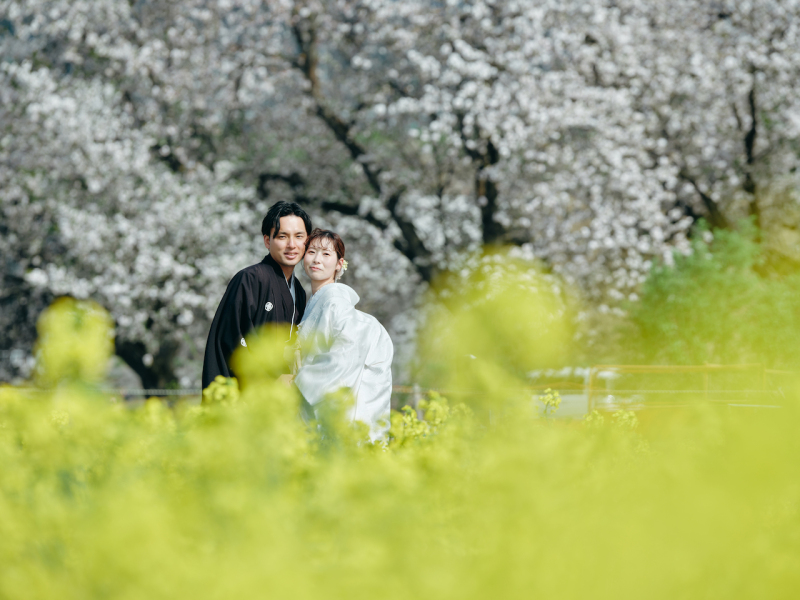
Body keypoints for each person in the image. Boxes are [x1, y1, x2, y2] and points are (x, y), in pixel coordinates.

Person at [291, 229, 393, 442]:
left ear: (339, 264)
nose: (317, 259)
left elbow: (345, 356)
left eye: (326, 254)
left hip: (333, 414)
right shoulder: (313, 304)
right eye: (311, 251)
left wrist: (298, 383)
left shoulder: (335, 303)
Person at [202, 201, 311, 389]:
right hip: (251, 392)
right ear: (267, 241)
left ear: (307, 241)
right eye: (282, 236)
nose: (292, 244)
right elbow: (233, 338)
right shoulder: (250, 279)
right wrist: (271, 379)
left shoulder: (299, 290)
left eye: (299, 236)